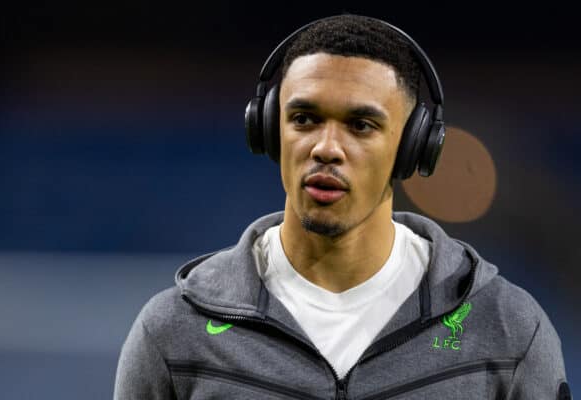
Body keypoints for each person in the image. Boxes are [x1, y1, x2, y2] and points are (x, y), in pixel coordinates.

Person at [114, 14, 570, 399]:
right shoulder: (176, 329)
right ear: (269, 130)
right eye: (304, 119)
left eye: (361, 124)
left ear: (413, 147)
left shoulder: (506, 328)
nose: (327, 148)